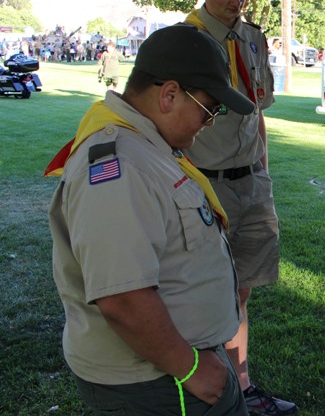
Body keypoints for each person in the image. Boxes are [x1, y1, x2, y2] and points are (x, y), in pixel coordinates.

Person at [46, 24, 256, 415]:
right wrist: (191, 367)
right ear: (169, 94)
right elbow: (122, 297)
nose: (209, 123)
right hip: (158, 382)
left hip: (174, 369)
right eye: (209, 109)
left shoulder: (149, 145)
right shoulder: (120, 166)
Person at [183, 0, 297, 416]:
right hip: (206, 181)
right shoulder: (187, 41)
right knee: (207, 291)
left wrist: (264, 171)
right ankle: (208, 386)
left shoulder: (252, 38)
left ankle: (242, 387)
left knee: (242, 288)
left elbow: (256, 114)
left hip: (252, 181)